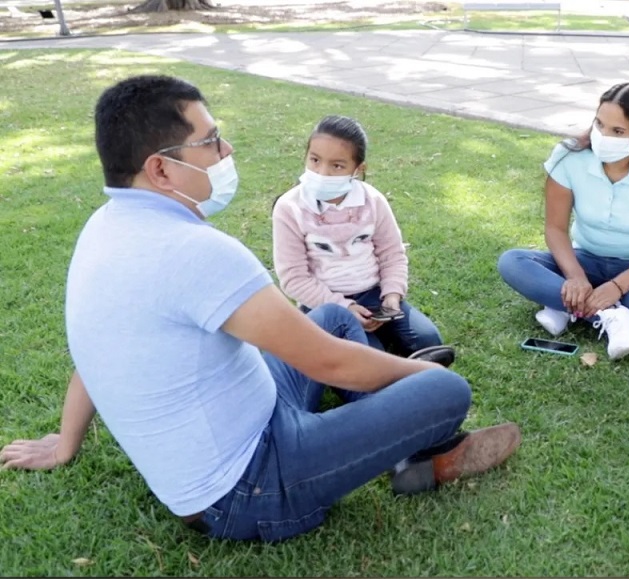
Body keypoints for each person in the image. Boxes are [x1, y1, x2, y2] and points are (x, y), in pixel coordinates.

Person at [0, 75, 522, 542]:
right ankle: (407, 446)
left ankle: (390, 439)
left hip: (255, 410)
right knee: (444, 389)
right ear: (160, 169)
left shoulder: (104, 227)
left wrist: (65, 443)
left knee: (336, 319)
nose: (225, 148)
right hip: (245, 490)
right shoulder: (198, 253)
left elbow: (99, 346)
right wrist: (413, 376)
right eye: (208, 142)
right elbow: (329, 363)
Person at [497, 82, 629, 360]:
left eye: (617, 131)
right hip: (581, 260)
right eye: (600, 124)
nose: (604, 136)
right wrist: (575, 277)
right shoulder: (569, 157)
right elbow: (555, 229)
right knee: (512, 262)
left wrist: (617, 286)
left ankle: (565, 306)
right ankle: (614, 315)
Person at [272, 115, 446, 357]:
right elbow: (294, 279)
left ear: (358, 169)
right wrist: (346, 307)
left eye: (337, 165)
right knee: (366, 359)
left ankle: (384, 339)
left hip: (374, 293)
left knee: (429, 341)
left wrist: (392, 296)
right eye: (314, 160)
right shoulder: (289, 207)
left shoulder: (372, 201)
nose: (322, 172)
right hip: (325, 303)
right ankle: (372, 348)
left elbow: (392, 253)